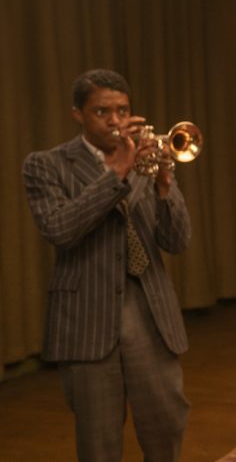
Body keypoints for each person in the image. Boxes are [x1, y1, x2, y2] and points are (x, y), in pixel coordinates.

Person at [22, 69, 192, 461]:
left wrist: (165, 182)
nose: (116, 121)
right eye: (102, 112)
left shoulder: (146, 159)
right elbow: (60, 229)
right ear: (77, 114)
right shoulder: (45, 166)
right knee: (98, 443)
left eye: (122, 110)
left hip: (149, 316)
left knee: (167, 425)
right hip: (86, 319)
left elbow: (177, 241)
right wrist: (116, 171)